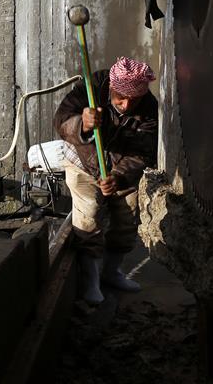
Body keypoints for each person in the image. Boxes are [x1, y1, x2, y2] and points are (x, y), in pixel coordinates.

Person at [54, 56, 158, 304]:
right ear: (112, 87)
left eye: (134, 100)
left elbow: (143, 153)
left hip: (118, 167)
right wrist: (83, 123)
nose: (126, 104)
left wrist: (119, 177)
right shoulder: (91, 89)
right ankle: (91, 280)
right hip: (81, 159)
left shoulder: (149, 108)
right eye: (120, 97)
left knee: (127, 214)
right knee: (88, 215)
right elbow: (60, 121)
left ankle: (112, 272)